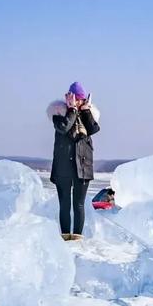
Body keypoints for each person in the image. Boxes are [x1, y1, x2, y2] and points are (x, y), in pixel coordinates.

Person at [48, 81, 100, 241]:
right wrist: (71, 110)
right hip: (63, 167)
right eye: (76, 98)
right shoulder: (58, 113)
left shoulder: (87, 114)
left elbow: (93, 129)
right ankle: (65, 236)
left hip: (82, 166)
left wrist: (84, 111)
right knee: (64, 204)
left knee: (78, 204)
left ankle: (77, 238)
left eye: (81, 99)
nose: (78, 101)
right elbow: (64, 127)